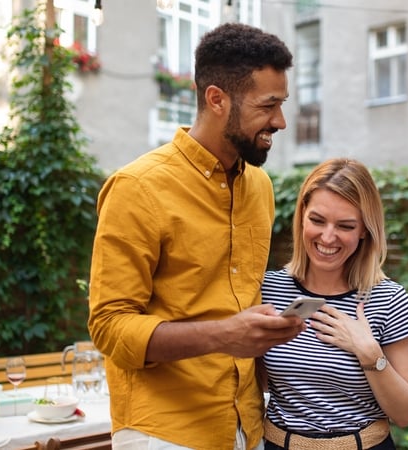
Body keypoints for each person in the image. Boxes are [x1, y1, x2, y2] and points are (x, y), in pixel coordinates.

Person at [87, 23, 305, 450]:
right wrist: (225, 335)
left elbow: (240, 303)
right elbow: (110, 327)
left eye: (282, 104)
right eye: (268, 105)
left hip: (247, 426)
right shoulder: (138, 187)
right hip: (165, 433)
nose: (279, 121)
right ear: (217, 99)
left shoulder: (259, 187)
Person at [261, 158, 408, 450]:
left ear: (364, 230)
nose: (327, 237)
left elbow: (407, 414)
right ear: (301, 216)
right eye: (317, 220)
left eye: (345, 226)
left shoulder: (389, 299)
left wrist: (370, 354)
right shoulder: (267, 290)